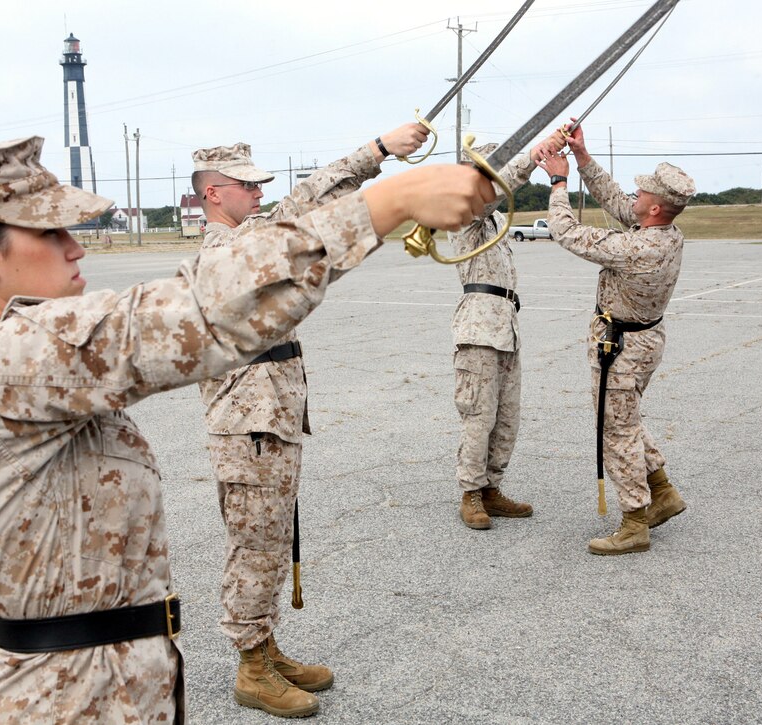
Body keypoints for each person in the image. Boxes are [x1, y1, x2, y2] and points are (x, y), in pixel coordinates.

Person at [0, 135, 492, 723]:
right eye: (49, 231)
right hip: (62, 699)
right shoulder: (3, 357)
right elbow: (203, 310)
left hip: (70, 688)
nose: (75, 246)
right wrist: (390, 202)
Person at [190, 124, 429, 718]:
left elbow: (308, 200)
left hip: (271, 419)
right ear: (214, 193)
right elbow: (307, 209)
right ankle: (250, 667)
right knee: (255, 545)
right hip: (249, 426)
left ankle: (265, 647)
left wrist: (374, 156)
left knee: (271, 541)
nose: (259, 193)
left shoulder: (248, 237)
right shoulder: (224, 251)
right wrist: (375, 158)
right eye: (246, 186)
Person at [534, 124, 693, 556]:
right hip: (642, 341)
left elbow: (566, 232)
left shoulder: (640, 248)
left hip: (621, 349)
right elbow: (622, 205)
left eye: (643, 193)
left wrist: (559, 178)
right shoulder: (666, 233)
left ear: (656, 208)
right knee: (627, 420)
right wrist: (584, 158)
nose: (634, 196)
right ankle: (661, 493)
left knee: (616, 432)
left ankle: (634, 521)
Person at [449, 143, 536, 529]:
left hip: (507, 327)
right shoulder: (464, 210)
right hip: (479, 330)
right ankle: (470, 492)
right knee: (478, 417)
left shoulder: (498, 220)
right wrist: (532, 158)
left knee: (506, 418)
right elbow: (491, 193)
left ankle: (491, 489)